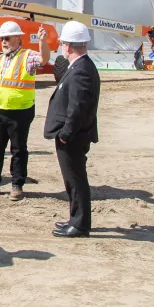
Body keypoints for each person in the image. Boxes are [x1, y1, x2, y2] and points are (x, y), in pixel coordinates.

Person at [0, 20, 47, 202]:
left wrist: (42, 42)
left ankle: (17, 185)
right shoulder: (0, 59)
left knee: (18, 149)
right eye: (2, 39)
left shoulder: (27, 56)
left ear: (18, 38)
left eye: (7, 38)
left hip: (20, 111)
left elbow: (44, 59)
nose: (4, 42)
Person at [45, 22, 102, 238]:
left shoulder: (81, 71)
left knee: (76, 180)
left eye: (62, 44)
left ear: (67, 46)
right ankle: (75, 218)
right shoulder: (80, 66)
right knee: (72, 180)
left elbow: (77, 109)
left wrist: (65, 136)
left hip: (73, 137)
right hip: (73, 135)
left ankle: (79, 224)